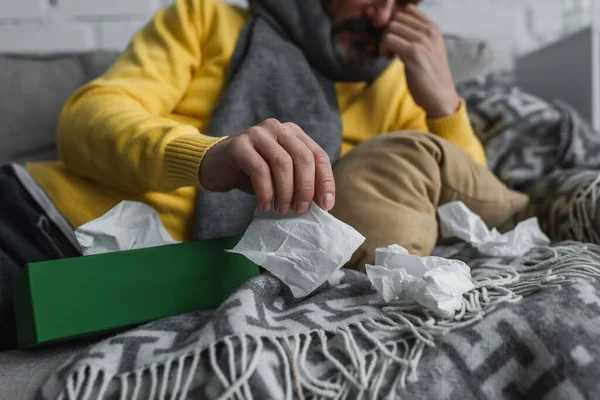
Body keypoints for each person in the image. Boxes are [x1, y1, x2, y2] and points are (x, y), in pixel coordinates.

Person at [0, 0, 492, 351]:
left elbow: (473, 215)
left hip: (155, 287)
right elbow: (88, 119)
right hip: (38, 218)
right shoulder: (204, 17)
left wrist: (445, 104)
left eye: (404, 2)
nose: (383, 16)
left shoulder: (399, 90)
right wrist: (206, 157)